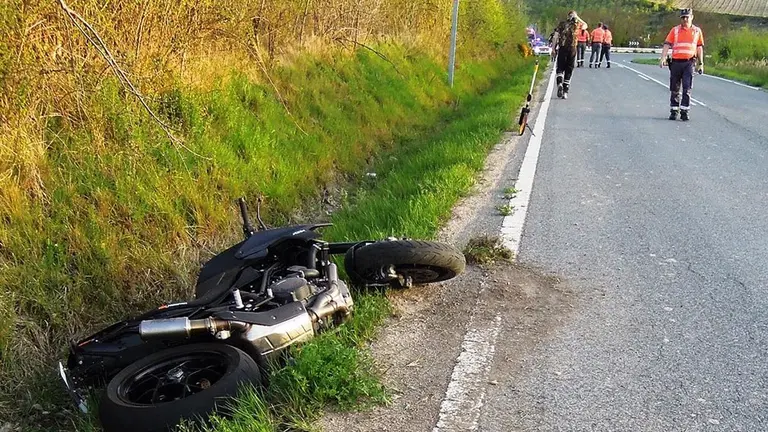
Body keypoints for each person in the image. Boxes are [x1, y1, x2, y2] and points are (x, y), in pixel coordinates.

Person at [660, 8, 704, 121]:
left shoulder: (697, 31)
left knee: (687, 87)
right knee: (674, 88)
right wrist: (663, 58)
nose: (685, 19)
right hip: (675, 63)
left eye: (687, 17)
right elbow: (667, 44)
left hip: (689, 62)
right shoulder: (675, 30)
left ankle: (684, 111)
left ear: (692, 17)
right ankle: (674, 110)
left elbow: (699, 47)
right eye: (683, 17)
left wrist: (701, 63)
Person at [550, 10, 582, 99]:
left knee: (560, 68)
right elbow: (586, 25)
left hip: (562, 48)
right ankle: (565, 91)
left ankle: (559, 83)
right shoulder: (578, 25)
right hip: (572, 49)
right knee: (569, 69)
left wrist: (553, 49)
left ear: (568, 16)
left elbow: (555, 36)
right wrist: (577, 17)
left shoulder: (562, 24)